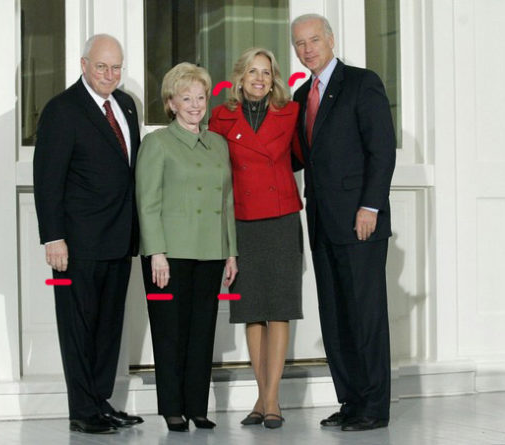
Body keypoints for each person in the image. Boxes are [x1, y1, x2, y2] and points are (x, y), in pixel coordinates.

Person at [33, 34, 143, 434]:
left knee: (109, 328)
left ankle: (101, 402)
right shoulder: (62, 110)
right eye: (101, 66)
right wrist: (53, 237)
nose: (110, 75)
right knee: (79, 328)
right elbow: (47, 180)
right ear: (83, 65)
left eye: (116, 67)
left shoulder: (127, 105)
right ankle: (82, 410)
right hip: (77, 244)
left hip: (119, 238)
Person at [291, 14, 396, 431]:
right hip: (321, 223)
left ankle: (374, 406)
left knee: (364, 316)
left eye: (314, 40)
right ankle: (350, 401)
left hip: (359, 223)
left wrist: (370, 206)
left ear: (331, 40)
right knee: (334, 316)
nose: (307, 48)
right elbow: (300, 157)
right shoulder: (301, 95)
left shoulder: (361, 82)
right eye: (299, 43)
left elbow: (382, 149)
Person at [136, 62, 238, 432]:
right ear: (171, 103)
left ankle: (197, 407)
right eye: (186, 98)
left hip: (211, 252)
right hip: (170, 255)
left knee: (202, 333)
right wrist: (156, 253)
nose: (196, 105)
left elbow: (227, 200)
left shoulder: (218, 144)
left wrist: (231, 251)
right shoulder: (157, 143)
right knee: (170, 333)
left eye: (200, 97)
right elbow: (147, 202)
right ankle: (172, 408)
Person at [209, 48, 304, 429]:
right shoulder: (220, 116)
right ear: (240, 76)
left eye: (266, 72)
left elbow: (300, 157)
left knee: (279, 307)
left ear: (274, 78)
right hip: (243, 219)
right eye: (253, 71)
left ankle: (271, 400)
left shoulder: (290, 113)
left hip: (281, 217)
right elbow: (215, 169)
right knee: (251, 310)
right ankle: (262, 397)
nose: (260, 78)